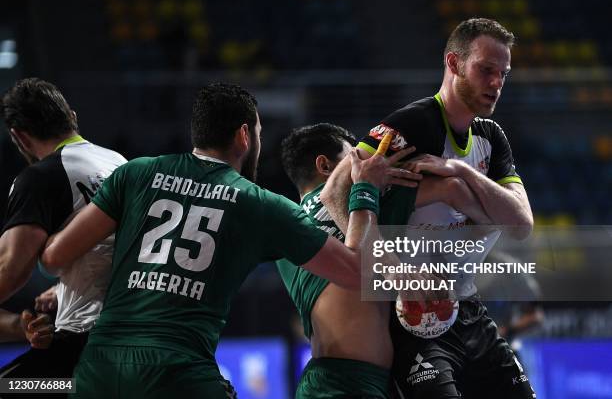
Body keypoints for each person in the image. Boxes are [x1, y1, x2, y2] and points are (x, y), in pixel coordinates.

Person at [40, 83, 415, 398]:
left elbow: (55, 257)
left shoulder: (136, 173)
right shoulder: (261, 204)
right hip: (179, 372)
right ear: (244, 135)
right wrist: (363, 188)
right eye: (259, 134)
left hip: (100, 367)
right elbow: (356, 272)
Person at [321, 18, 536, 398]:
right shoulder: (413, 124)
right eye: (486, 70)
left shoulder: (491, 137)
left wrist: (457, 176)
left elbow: (521, 224)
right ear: (454, 64)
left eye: (503, 74)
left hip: (468, 305)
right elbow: (333, 192)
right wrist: (388, 266)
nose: (496, 83)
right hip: (415, 314)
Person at [278, 123, 497, 398]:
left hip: (328, 380)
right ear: (325, 166)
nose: (367, 164)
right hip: (350, 384)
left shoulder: (288, 230)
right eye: (354, 159)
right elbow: (451, 188)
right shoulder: (364, 204)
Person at [0, 78, 127, 384]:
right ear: (72, 116)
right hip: (139, 330)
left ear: (20, 137)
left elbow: (10, 271)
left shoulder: (40, 178)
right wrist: (60, 290)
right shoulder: (120, 163)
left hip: (85, 342)